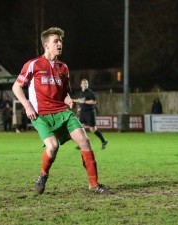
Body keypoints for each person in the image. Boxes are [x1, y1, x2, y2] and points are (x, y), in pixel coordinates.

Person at [12, 27, 110, 194]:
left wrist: (68, 100)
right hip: (40, 114)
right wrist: (27, 106)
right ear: (46, 45)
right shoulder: (33, 64)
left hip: (63, 112)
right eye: (55, 41)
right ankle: (43, 175)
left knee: (85, 141)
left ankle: (94, 185)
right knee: (52, 147)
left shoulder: (63, 68)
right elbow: (16, 87)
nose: (60, 43)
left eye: (60, 41)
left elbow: (64, 93)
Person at [74, 79, 108, 150]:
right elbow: (82, 102)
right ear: (81, 85)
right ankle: (82, 144)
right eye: (83, 83)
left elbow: (94, 102)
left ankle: (103, 141)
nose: (85, 84)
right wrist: (80, 108)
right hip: (83, 112)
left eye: (86, 83)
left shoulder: (90, 93)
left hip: (90, 113)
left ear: (88, 84)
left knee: (93, 130)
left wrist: (84, 101)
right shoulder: (82, 93)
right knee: (80, 128)